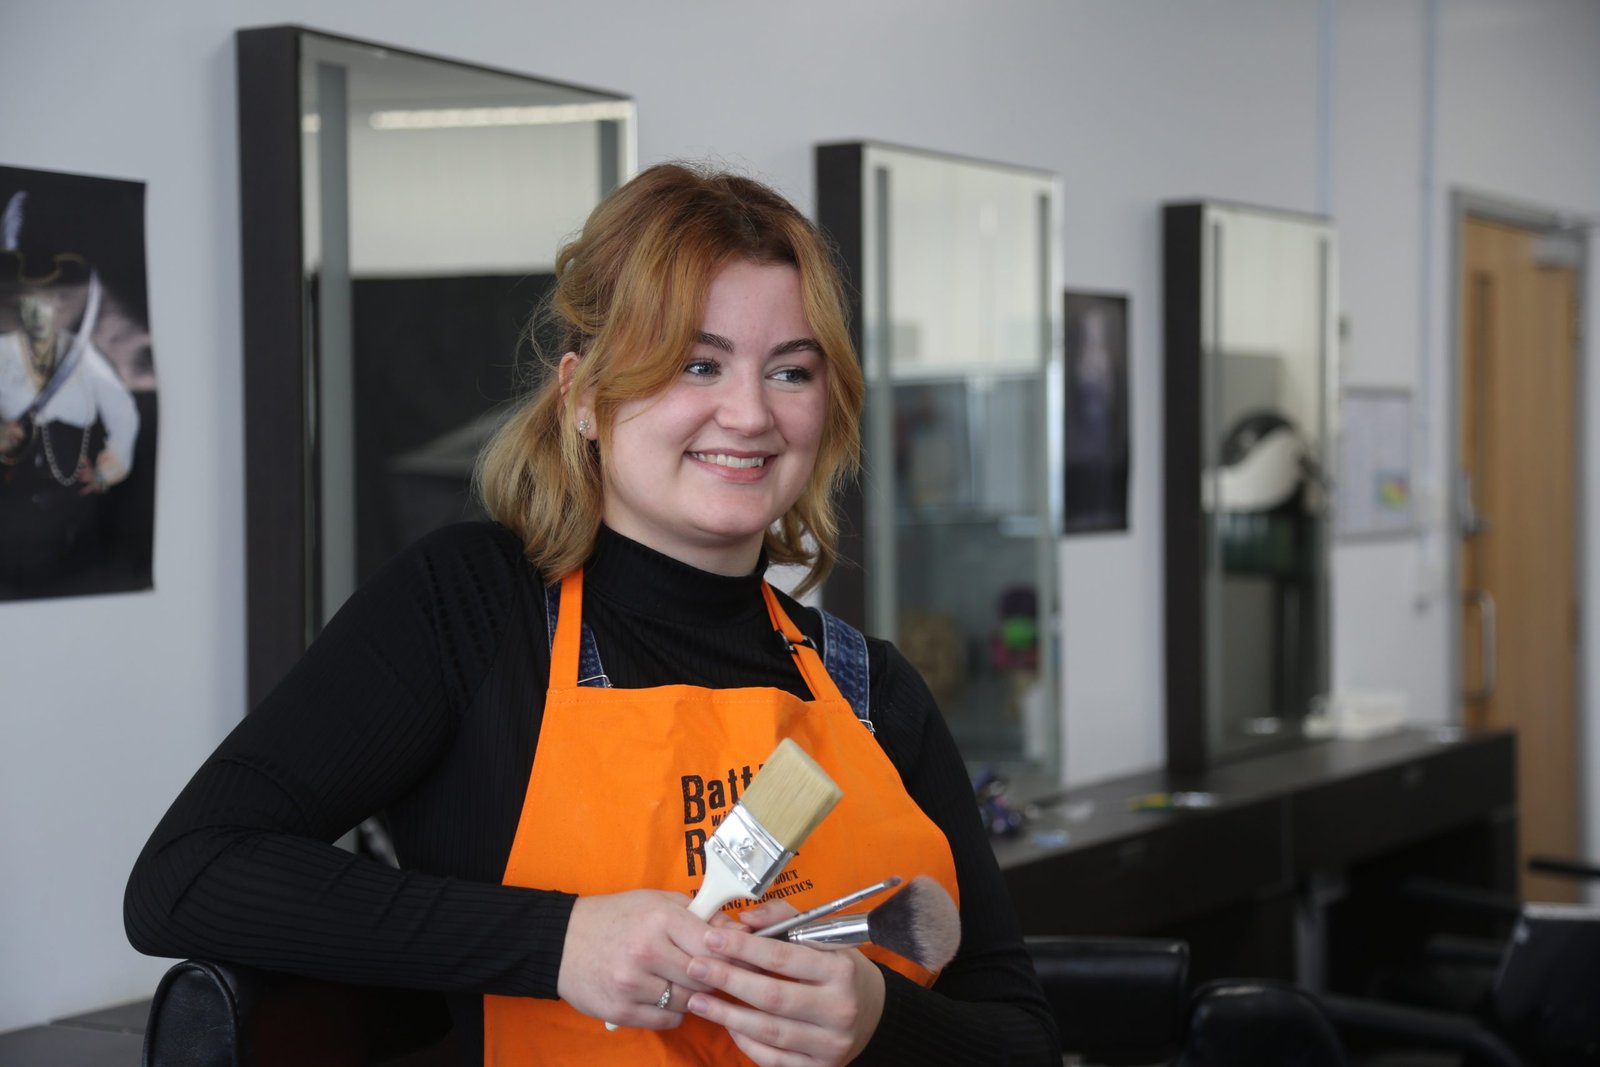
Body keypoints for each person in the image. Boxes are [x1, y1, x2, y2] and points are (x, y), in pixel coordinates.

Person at [125, 162, 1059, 1065]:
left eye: (790, 371)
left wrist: (879, 1021)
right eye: (698, 363)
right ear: (580, 396)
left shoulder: (870, 688)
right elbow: (189, 873)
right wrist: (557, 939)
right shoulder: (474, 613)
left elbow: (1023, 1039)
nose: (748, 414)